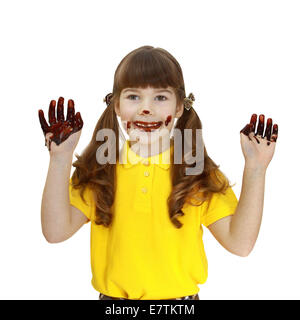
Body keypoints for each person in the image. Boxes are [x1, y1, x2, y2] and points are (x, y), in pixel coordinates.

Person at [38, 45, 278, 300]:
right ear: (116, 105)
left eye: (160, 97)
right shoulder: (100, 170)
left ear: (178, 108)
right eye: (133, 96)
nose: (146, 108)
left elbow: (240, 244)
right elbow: (55, 232)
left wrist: (256, 169)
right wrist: (60, 159)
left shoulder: (196, 173)